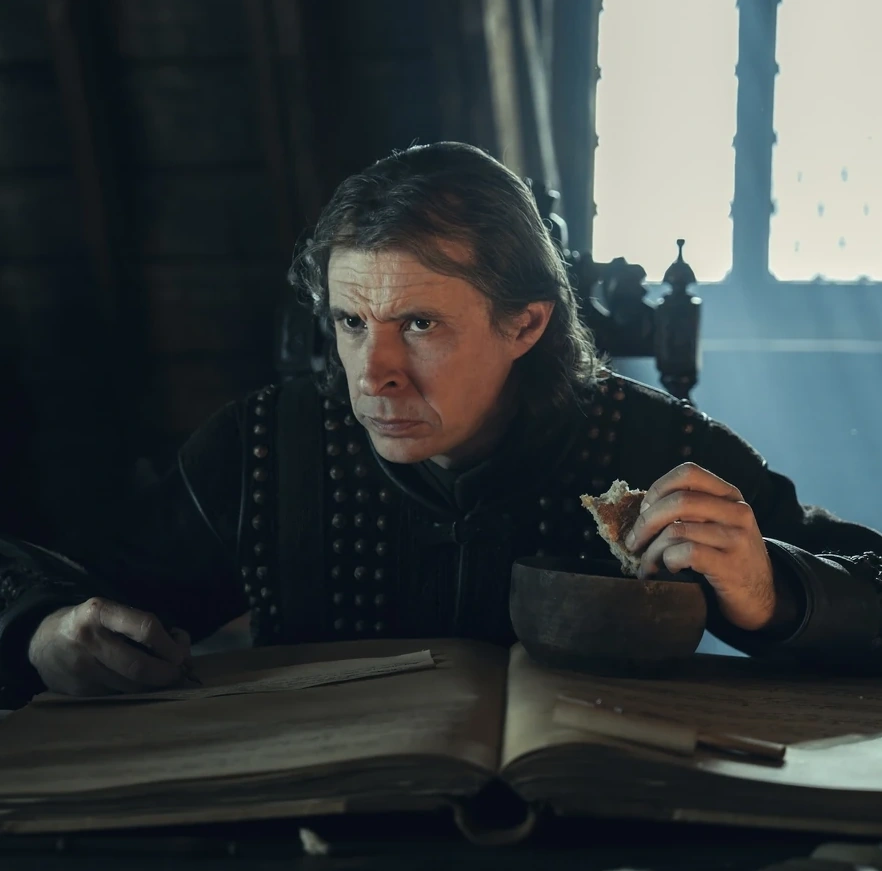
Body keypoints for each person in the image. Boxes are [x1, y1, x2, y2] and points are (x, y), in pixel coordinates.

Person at [1, 141, 881, 700]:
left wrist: (779, 593)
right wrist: (44, 632)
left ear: (524, 325)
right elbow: (61, 579)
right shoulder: (264, 450)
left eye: (419, 324)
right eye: (351, 322)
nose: (372, 371)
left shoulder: (661, 450)